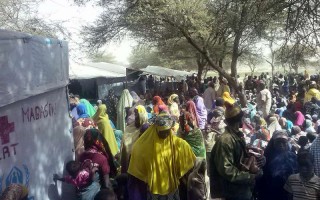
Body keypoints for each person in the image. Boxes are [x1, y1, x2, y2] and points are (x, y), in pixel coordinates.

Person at [127, 113, 196, 200]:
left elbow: (190, 163)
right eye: (162, 132)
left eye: (167, 131)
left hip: (172, 191)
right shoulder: (144, 146)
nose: (165, 134)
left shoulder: (178, 144)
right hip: (153, 192)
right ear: (155, 129)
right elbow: (137, 165)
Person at [210, 104, 261, 200]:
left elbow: (239, 158)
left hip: (241, 188)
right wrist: (250, 177)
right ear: (239, 120)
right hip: (233, 191)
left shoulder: (236, 135)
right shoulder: (226, 140)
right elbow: (226, 170)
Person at [257, 130, 298, 200]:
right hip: (269, 191)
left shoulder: (292, 156)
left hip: (286, 191)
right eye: (278, 142)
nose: (281, 144)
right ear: (273, 143)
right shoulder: (266, 156)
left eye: (283, 142)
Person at [121, 105, 149, 173]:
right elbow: (125, 141)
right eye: (135, 113)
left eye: (137, 114)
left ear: (142, 115)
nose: (135, 117)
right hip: (128, 159)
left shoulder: (146, 129)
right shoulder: (131, 127)